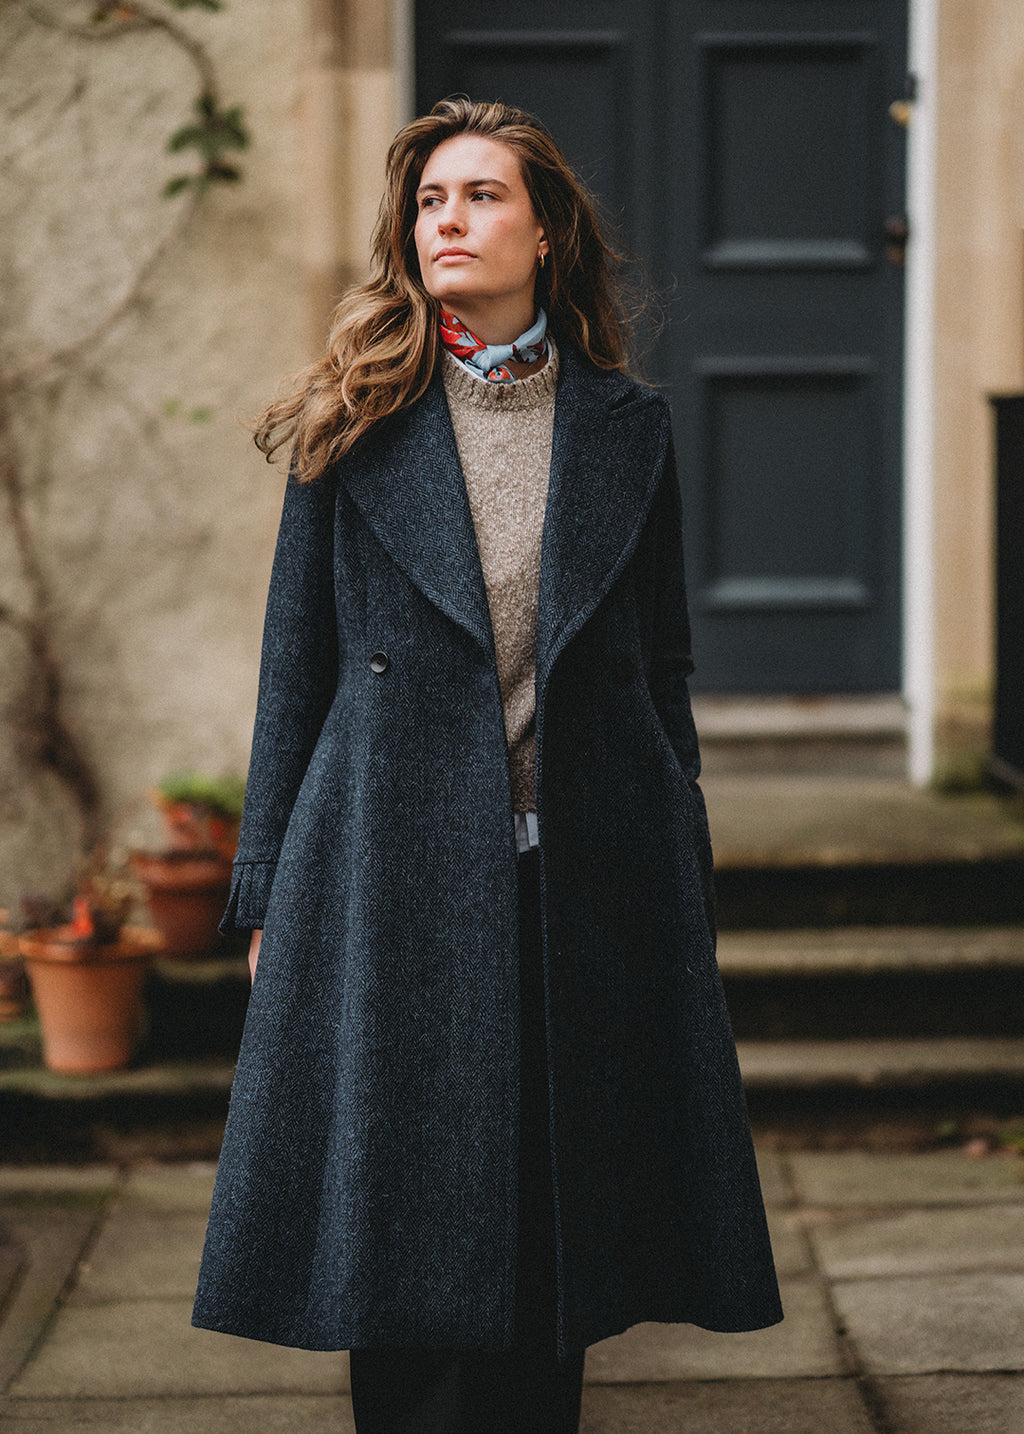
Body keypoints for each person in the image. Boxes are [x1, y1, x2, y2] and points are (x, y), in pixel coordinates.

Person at [192, 97, 782, 1433]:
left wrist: (678, 851)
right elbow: (296, 667)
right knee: (393, 1222)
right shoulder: (353, 421)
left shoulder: (628, 427)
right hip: (384, 862)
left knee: (554, 1222)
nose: (446, 221)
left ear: (547, 230)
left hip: (578, 867)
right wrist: (268, 888)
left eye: (480, 195)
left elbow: (660, 663)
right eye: (428, 201)